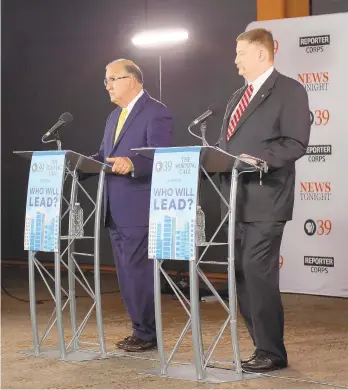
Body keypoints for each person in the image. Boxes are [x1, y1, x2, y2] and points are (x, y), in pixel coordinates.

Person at [218, 28, 310, 372]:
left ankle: (272, 351)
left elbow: (295, 143)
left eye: (240, 53)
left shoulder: (290, 90)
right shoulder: (236, 96)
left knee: (258, 273)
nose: (235, 60)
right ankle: (261, 347)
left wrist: (253, 157)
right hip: (236, 201)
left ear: (261, 54)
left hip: (267, 200)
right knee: (242, 274)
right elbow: (224, 146)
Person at [91, 59, 173, 352]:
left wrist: (133, 163)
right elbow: (104, 155)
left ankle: (147, 333)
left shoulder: (156, 112)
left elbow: (161, 156)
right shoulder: (114, 117)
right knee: (126, 272)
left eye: (113, 79)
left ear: (133, 80)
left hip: (140, 206)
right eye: (106, 80)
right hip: (114, 206)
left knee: (138, 271)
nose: (108, 86)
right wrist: (81, 163)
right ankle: (140, 329)